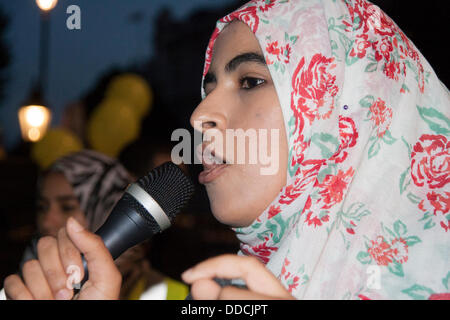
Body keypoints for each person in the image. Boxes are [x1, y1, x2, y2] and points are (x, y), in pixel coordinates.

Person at [4, 0, 449, 300]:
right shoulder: (230, 292)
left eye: (251, 81)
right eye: (208, 86)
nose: (200, 115)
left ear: (353, 109)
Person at [2, 149, 187, 300]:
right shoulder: (24, 279)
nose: (47, 221)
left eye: (67, 207)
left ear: (106, 208)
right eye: (42, 207)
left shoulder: (172, 295)